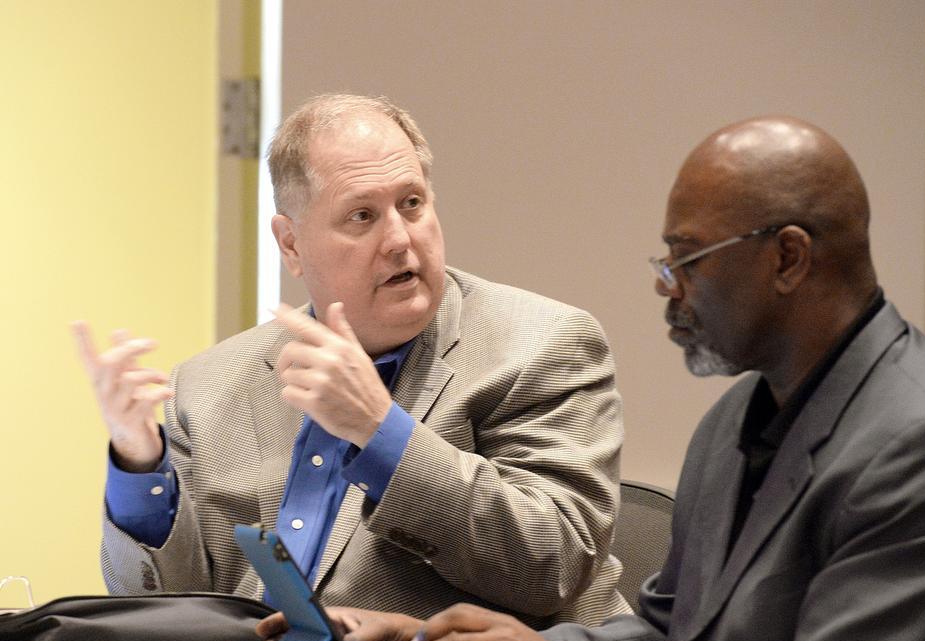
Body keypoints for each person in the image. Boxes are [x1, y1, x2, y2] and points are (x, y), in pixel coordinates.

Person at [271, 115, 925, 641]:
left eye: (688, 259)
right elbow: (668, 629)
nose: (668, 286)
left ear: (788, 259)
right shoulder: (738, 419)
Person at [72, 93, 630, 628]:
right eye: (362, 216)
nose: (399, 239)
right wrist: (139, 463)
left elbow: (553, 565)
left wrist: (380, 430)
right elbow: (165, 611)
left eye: (412, 203)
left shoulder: (541, 343)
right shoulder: (209, 387)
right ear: (291, 245)